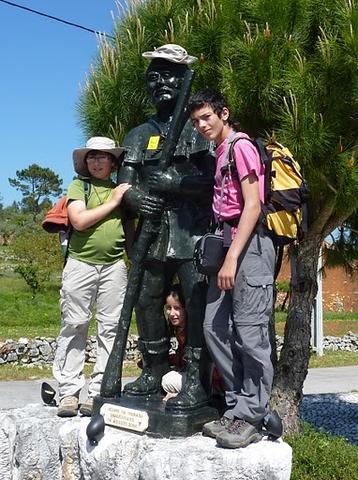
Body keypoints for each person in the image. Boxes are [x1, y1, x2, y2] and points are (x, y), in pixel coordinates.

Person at [116, 44, 216, 410]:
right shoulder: (138, 135)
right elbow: (124, 185)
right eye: (153, 77)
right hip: (154, 234)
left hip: (192, 233)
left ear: (183, 78)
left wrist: (176, 184)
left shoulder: (199, 128)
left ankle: (196, 379)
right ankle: (153, 370)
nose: (161, 83)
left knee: (196, 302)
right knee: (146, 300)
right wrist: (136, 198)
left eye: (169, 75)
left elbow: (213, 181)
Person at [188, 89, 275, 448]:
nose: (202, 125)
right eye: (196, 121)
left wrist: (232, 257)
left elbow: (252, 206)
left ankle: (252, 415)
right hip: (227, 244)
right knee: (214, 326)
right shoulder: (219, 150)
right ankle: (238, 407)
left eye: (207, 117)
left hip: (248, 247)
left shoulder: (240, 146)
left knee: (251, 335)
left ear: (224, 113)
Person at [53, 136, 135, 417]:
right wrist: (114, 201)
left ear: (113, 162)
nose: (96, 161)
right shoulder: (80, 186)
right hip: (81, 264)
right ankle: (69, 391)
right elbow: (79, 220)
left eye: (102, 156)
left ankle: (100, 389)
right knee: (75, 324)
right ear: (85, 162)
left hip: (114, 266)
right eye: (92, 156)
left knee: (110, 328)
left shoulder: (121, 189)